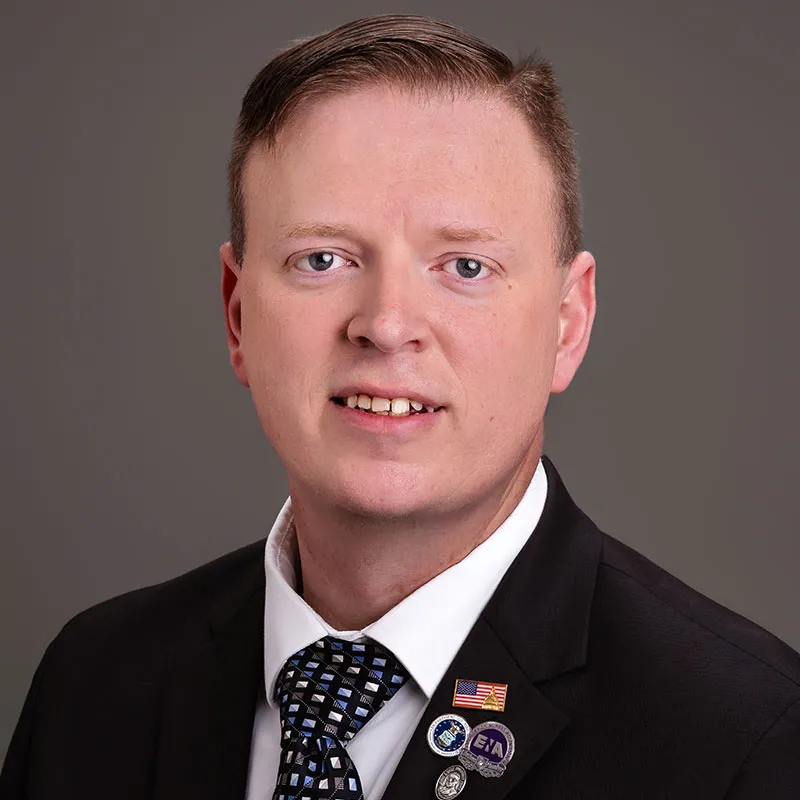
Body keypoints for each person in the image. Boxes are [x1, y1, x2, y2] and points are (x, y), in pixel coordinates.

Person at [2, 13, 798, 800]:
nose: (385, 324)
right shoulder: (95, 686)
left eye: (465, 266)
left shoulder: (746, 740)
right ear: (237, 312)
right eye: (322, 259)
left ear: (568, 322)